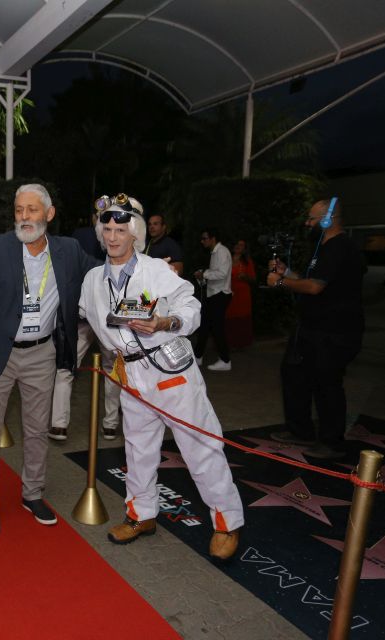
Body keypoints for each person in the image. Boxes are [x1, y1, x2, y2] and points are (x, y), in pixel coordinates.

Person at [78, 196, 243, 561]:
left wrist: (165, 322)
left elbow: (192, 307)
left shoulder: (155, 270)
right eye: (107, 229)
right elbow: (84, 321)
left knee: (200, 447)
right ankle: (141, 515)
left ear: (134, 233)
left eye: (120, 230)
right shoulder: (92, 280)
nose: (113, 237)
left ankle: (227, 522)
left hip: (171, 372)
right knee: (138, 450)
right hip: (130, 375)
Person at [0, 183, 99, 535]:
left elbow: (103, 271)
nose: (24, 217)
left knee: (36, 430)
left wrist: (147, 268)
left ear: (49, 213)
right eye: (19, 210)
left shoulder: (68, 250)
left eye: (32, 209)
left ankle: (32, 494)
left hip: (42, 353)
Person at [268, 198, 364, 460]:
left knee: (327, 385)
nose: (307, 223)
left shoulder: (341, 247)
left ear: (328, 219)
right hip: (311, 327)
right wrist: (287, 273)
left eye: (312, 218)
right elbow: (309, 280)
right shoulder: (322, 246)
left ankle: (332, 442)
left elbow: (314, 287)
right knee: (294, 375)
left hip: (334, 331)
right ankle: (300, 430)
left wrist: (280, 282)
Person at [51, 207, 123, 441]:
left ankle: (107, 423)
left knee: (109, 368)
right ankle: (61, 424)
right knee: (68, 365)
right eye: (100, 216)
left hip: (107, 317)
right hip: (83, 315)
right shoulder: (80, 238)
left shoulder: (118, 238)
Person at [193, 227, 233, 371]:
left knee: (216, 328)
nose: (202, 241)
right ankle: (198, 356)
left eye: (205, 238)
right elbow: (216, 274)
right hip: (214, 294)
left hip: (220, 294)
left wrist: (204, 274)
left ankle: (225, 360)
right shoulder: (215, 252)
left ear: (213, 238)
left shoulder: (222, 251)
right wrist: (203, 276)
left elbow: (222, 273)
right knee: (204, 325)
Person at [226, 239, 257, 349]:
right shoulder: (226, 259)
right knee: (228, 316)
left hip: (242, 294)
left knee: (242, 317)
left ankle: (241, 344)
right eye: (237, 244)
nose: (238, 246)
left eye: (241, 245)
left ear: (244, 249)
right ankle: (228, 343)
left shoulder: (247, 261)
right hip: (228, 292)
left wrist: (245, 277)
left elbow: (253, 279)